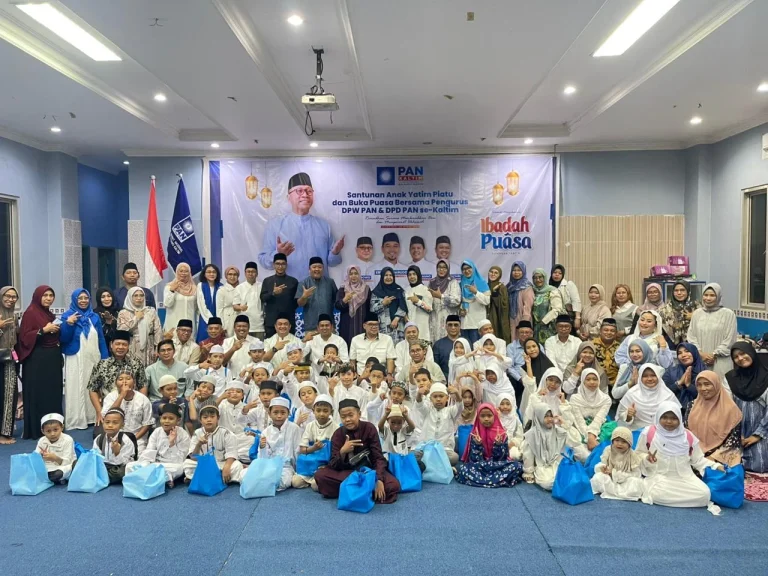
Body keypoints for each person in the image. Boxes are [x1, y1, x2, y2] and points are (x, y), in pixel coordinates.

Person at [258, 172, 344, 279]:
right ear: (289, 197)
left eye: (309, 191)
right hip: (289, 287)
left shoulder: (324, 226)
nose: (305, 195)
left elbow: (332, 262)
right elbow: (264, 261)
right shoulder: (275, 225)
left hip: (319, 287)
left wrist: (335, 252)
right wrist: (278, 254)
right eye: (299, 191)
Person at [314, 398, 401, 503]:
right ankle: (366, 492)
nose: (347, 419)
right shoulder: (338, 434)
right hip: (348, 474)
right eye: (343, 417)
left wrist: (379, 479)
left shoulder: (369, 428)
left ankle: (352, 491)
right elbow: (333, 464)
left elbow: (378, 457)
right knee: (320, 475)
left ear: (359, 414)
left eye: (351, 415)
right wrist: (342, 452)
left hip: (370, 472)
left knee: (393, 485)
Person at [637, 401, 722, 508]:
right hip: (659, 479)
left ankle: (669, 499)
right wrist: (646, 459)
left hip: (684, 479)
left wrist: (716, 466)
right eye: (664, 417)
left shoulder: (688, 436)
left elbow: (698, 460)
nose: (669, 421)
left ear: (680, 419)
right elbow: (638, 454)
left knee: (705, 494)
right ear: (658, 417)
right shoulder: (649, 433)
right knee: (655, 493)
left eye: (674, 418)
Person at [60, 288, 109, 430]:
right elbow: (63, 338)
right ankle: (77, 419)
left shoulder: (94, 317)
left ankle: (93, 416)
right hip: (75, 356)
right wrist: (69, 324)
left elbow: (100, 338)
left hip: (92, 356)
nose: (83, 301)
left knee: (93, 384)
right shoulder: (67, 315)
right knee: (76, 385)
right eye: (80, 298)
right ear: (75, 300)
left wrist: (105, 357)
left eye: (86, 298)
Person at [18, 286, 62, 440]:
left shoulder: (49, 314)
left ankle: (54, 427)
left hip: (52, 358)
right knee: (39, 393)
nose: (48, 298)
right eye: (45, 295)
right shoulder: (30, 313)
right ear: (38, 296)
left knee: (52, 393)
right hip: (36, 360)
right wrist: (43, 330)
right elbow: (24, 337)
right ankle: (37, 429)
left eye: (51, 295)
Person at [455, 403, 523, 487]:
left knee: (517, 466)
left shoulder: (502, 434)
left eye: (489, 416)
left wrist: (498, 445)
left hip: (497, 466)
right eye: (482, 416)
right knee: (463, 469)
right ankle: (497, 480)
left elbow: (502, 459)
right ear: (478, 417)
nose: (486, 419)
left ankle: (481, 480)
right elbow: (474, 460)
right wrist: (477, 445)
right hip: (481, 466)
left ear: (495, 416)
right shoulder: (475, 433)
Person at [522, 404, 587, 490]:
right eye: (545, 416)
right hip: (543, 467)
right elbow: (528, 456)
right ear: (538, 417)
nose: (549, 419)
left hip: (558, 463)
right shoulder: (531, 435)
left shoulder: (558, 430)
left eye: (551, 416)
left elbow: (576, 442)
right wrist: (528, 472)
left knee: (573, 478)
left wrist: (564, 425)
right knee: (548, 483)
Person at [726, 341, 768, 472]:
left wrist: (758, 435)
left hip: (764, 429)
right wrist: (737, 433)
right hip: (737, 429)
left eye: (743, 353)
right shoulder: (730, 378)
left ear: (751, 352)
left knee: (760, 464)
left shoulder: (766, 377)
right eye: (735, 357)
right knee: (729, 461)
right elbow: (728, 407)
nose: (740, 358)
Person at [126, 403, 190, 488]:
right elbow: (149, 452)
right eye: (164, 418)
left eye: (171, 418)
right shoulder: (157, 432)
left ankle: (150, 477)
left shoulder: (183, 435)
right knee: (129, 465)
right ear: (160, 419)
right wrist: (145, 464)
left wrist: (172, 443)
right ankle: (161, 478)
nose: (166, 421)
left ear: (178, 421)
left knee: (180, 468)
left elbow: (179, 460)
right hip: (155, 464)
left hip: (170, 465)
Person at [685, 371, 742, 467]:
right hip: (695, 455)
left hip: (720, 458)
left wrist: (712, 458)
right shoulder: (691, 406)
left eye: (707, 384)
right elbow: (686, 433)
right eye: (699, 385)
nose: (703, 388)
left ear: (716, 384)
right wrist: (696, 456)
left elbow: (734, 441)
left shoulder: (731, 409)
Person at [88, 330, 147, 422]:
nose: (120, 347)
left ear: (128, 346)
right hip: (108, 411)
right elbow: (93, 389)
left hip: (132, 410)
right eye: (117, 344)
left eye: (124, 344)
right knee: (101, 431)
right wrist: (99, 411)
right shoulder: (101, 365)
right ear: (111, 345)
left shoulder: (136, 363)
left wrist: (141, 406)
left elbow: (142, 386)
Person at [687, 283, 737, 382]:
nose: (708, 298)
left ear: (718, 296)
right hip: (700, 359)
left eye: (712, 295)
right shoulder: (697, 314)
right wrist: (701, 353)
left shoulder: (728, 314)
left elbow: (730, 339)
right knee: (702, 386)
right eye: (705, 295)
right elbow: (691, 336)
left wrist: (714, 354)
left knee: (721, 386)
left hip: (721, 360)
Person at [183, 405, 245, 484]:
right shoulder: (197, 433)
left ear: (218, 418)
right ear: (200, 420)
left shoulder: (226, 433)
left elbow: (232, 453)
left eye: (212, 417)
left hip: (221, 464)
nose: (209, 420)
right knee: (187, 464)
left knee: (237, 465)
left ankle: (200, 478)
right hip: (204, 464)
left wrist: (226, 468)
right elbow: (193, 458)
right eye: (205, 417)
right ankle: (219, 479)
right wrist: (199, 444)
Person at [101, 370, 154, 454]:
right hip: (114, 437)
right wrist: (122, 395)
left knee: (139, 458)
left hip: (137, 437)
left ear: (134, 383)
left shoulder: (143, 399)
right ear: (116, 383)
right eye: (120, 379)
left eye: (128, 378)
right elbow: (107, 416)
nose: (124, 381)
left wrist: (133, 439)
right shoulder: (110, 397)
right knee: (110, 456)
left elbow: (147, 424)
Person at [292, 393, 337, 490]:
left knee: (315, 486)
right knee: (296, 483)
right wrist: (314, 448)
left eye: (325, 411)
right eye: (318, 410)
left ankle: (317, 479)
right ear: (313, 411)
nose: (321, 414)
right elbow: (302, 450)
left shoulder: (335, 427)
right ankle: (311, 478)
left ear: (331, 412)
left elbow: (336, 453)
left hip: (325, 465)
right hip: (309, 464)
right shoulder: (310, 426)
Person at [590, 426, 648, 501]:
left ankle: (614, 492)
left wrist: (615, 474)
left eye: (624, 441)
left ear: (629, 444)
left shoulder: (633, 455)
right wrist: (604, 468)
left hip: (625, 481)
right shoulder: (608, 450)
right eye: (617, 440)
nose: (620, 444)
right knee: (598, 477)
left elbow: (636, 473)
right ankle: (614, 491)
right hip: (610, 479)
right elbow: (602, 463)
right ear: (612, 441)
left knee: (636, 482)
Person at [257, 397, 302, 491]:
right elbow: (262, 458)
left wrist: (298, 471)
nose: (279, 416)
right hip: (270, 465)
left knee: (282, 481)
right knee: (246, 475)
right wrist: (262, 447)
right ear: (269, 414)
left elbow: (297, 451)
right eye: (275, 412)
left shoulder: (294, 428)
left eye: (283, 412)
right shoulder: (266, 432)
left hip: (286, 467)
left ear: (288, 413)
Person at [617, 364, 679, 430]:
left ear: (658, 376)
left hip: (662, 432)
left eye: (653, 375)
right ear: (640, 378)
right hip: (637, 431)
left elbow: (677, 417)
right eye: (645, 376)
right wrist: (628, 415)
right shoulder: (632, 394)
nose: (649, 379)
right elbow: (620, 416)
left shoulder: (668, 395)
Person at [415, 382, 462, 465]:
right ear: (430, 399)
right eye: (435, 396)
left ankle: (428, 463)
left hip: (444, 449)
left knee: (454, 457)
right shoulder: (427, 410)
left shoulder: (450, 412)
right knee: (413, 454)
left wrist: (457, 394)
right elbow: (419, 404)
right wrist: (419, 394)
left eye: (441, 396)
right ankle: (438, 464)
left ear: (447, 398)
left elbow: (459, 407)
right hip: (426, 448)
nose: (438, 399)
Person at [118, 286, 163, 367]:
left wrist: (158, 348)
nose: (139, 298)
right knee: (133, 369)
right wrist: (136, 318)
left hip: (149, 345)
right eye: (135, 296)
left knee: (149, 369)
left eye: (141, 295)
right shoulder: (123, 313)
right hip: (132, 345)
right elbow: (121, 330)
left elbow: (158, 330)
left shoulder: (150, 311)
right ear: (130, 297)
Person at [569, 369, 612, 450]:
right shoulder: (575, 399)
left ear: (599, 381)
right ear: (583, 381)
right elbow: (579, 421)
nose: (592, 382)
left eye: (595, 379)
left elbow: (599, 419)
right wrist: (589, 438)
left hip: (600, 426)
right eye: (588, 379)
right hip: (579, 428)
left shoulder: (605, 399)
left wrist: (592, 436)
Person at [93, 408, 137, 484]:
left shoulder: (126, 440)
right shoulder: (99, 438)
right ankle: (103, 477)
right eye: (107, 422)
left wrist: (117, 452)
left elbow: (126, 463)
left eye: (115, 423)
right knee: (78, 463)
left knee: (121, 473)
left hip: (118, 467)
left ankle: (100, 478)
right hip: (103, 466)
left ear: (122, 425)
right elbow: (95, 457)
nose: (110, 425)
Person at [260, 253, 300, 337]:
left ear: (286, 265)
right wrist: (273, 293)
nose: (280, 266)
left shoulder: (293, 281)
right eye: (278, 264)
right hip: (271, 322)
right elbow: (263, 298)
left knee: (290, 344)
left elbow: (297, 302)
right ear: (273, 265)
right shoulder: (267, 281)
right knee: (270, 344)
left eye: (283, 264)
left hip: (288, 322)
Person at [662, 342, 706, 414]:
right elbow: (663, 394)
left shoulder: (705, 372)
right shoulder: (671, 372)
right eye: (679, 353)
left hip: (701, 412)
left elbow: (707, 395)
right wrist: (679, 383)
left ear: (694, 352)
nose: (683, 355)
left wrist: (689, 386)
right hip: (675, 413)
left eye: (687, 351)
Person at [349, 311, 397, 376]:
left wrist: (389, 374)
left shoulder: (387, 339)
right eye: (371, 324)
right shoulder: (356, 340)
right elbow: (352, 361)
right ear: (364, 326)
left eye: (376, 324)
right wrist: (356, 376)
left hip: (381, 377)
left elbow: (390, 359)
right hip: (361, 376)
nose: (374, 327)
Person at [297, 257, 337, 332]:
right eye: (314, 267)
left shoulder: (330, 282)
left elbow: (336, 301)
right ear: (309, 269)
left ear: (323, 269)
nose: (317, 269)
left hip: (328, 326)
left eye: (319, 267)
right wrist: (304, 297)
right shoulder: (303, 283)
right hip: (311, 326)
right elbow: (300, 304)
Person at [0, 286, 19, 444]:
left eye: (13, 297)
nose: (10, 299)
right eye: (7, 296)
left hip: (9, 361)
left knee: (9, 396)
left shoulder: (14, 316)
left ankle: (5, 432)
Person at [370, 267, 408, 344]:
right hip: (382, 328)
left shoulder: (399, 290)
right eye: (386, 275)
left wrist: (396, 318)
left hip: (398, 327)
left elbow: (404, 306)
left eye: (390, 275)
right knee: (383, 348)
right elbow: (372, 309)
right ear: (382, 277)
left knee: (399, 348)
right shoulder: (376, 292)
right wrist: (383, 304)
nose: (388, 277)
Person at [519, 338, 554, 418]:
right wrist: (528, 364)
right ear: (525, 351)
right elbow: (530, 388)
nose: (532, 349)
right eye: (528, 348)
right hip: (531, 401)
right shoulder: (523, 368)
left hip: (547, 398)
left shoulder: (549, 365)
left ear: (538, 347)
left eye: (534, 346)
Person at [335, 265, 370, 344]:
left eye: (356, 273)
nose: (353, 276)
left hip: (362, 322)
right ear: (348, 275)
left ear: (359, 274)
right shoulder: (343, 289)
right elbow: (337, 306)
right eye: (351, 274)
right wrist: (345, 300)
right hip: (347, 323)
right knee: (347, 344)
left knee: (362, 345)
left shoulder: (366, 288)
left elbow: (369, 307)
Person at [658, 280, 700, 347]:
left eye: (682, 290)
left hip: (694, 343)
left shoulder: (697, 307)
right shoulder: (664, 310)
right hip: (671, 345)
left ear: (688, 291)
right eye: (676, 290)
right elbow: (660, 332)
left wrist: (694, 316)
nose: (679, 293)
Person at [37, 413, 76, 484]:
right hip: (47, 467)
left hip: (64, 466)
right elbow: (35, 458)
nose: (52, 434)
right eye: (48, 431)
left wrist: (54, 458)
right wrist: (40, 455)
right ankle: (53, 479)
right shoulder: (42, 441)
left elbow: (68, 461)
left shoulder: (67, 439)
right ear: (43, 431)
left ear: (62, 427)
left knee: (58, 473)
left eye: (55, 430)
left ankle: (55, 478)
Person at [427, 260, 460, 342]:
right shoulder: (432, 282)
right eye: (439, 267)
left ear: (448, 269)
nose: (441, 270)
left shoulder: (452, 282)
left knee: (448, 342)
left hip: (447, 317)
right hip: (434, 318)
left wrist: (441, 296)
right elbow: (427, 299)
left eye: (444, 267)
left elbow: (456, 300)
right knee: (435, 342)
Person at [459, 260, 491, 345]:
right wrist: (460, 310)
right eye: (464, 269)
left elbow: (487, 301)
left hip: (477, 324)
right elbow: (460, 301)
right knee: (466, 347)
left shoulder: (481, 282)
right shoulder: (461, 283)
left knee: (477, 348)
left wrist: (476, 292)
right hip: (465, 323)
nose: (466, 271)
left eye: (468, 268)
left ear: (473, 268)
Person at [530, 268, 563, 346]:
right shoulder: (532, 291)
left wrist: (544, 321)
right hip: (535, 328)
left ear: (544, 277)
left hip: (549, 327)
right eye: (535, 278)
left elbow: (557, 309)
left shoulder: (552, 290)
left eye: (540, 277)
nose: (538, 280)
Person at [162, 262, 197, 333]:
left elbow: (196, 308)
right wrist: (172, 290)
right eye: (181, 271)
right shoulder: (169, 287)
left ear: (189, 273)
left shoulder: (194, 289)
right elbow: (167, 304)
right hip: (173, 324)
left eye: (186, 271)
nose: (183, 273)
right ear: (177, 272)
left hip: (189, 325)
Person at [234, 261, 265, 339]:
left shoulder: (262, 286)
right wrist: (240, 307)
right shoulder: (239, 287)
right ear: (245, 273)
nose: (250, 274)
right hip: (244, 326)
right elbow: (235, 306)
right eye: (248, 272)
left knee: (259, 346)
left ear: (257, 273)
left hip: (259, 325)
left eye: (253, 271)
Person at [506, 261, 534, 341]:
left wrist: (524, 323)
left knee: (523, 340)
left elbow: (528, 306)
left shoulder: (527, 286)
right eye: (514, 270)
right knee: (512, 340)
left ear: (523, 271)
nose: (516, 273)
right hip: (510, 319)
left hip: (522, 318)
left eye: (519, 270)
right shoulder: (509, 286)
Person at [404, 265, 433, 342]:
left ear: (418, 275)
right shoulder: (406, 290)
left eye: (414, 274)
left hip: (422, 326)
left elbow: (430, 309)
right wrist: (405, 316)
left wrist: (418, 302)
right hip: (409, 326)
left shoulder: (425, 290)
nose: (412, 277)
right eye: (409, 275)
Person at [549, 265, 581, 331]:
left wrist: (577, 318)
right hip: (553, 318)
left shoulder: (569, 284)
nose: (557, 275)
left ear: (563, 274)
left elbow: (576, 301)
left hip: (568, 317)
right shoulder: (548, 286)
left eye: (560, 273)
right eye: (555, 272)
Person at [195, 264, 222, 343]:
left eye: (214, 272)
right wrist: (211, 321)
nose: (211, 274)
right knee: (204, 343)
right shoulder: (200, 285)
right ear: (204, 274)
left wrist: (218, 322)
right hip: (205, 319)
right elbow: (201, 305)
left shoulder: (221, 287)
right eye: (209, 272)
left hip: (218, 320)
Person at [486, 265, 511, 345]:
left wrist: (495, 294)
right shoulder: (485, 286)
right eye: (491, 272)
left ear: (499, 275)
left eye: (496, 273)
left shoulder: (502, 287)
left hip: (497, 317)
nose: (493, 274)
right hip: (485, 316)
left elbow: (504, 304)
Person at [592, 318, 620, 387]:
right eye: (606, 330)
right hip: (595, 383)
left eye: (612, 331)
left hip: (616, 384)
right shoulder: (591, 345)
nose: (609, 333)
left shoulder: (620, 347)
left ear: (616, 333)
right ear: (600, 331)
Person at [218, 266, 240, 337]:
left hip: (240, 317)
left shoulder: (242, 288)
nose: (232, 277)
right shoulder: (222, 290)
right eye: (230, 274)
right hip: (227, 319)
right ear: (226, 276)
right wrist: (222, 325)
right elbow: (219, 309)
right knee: (228, 340)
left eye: (235, 274)